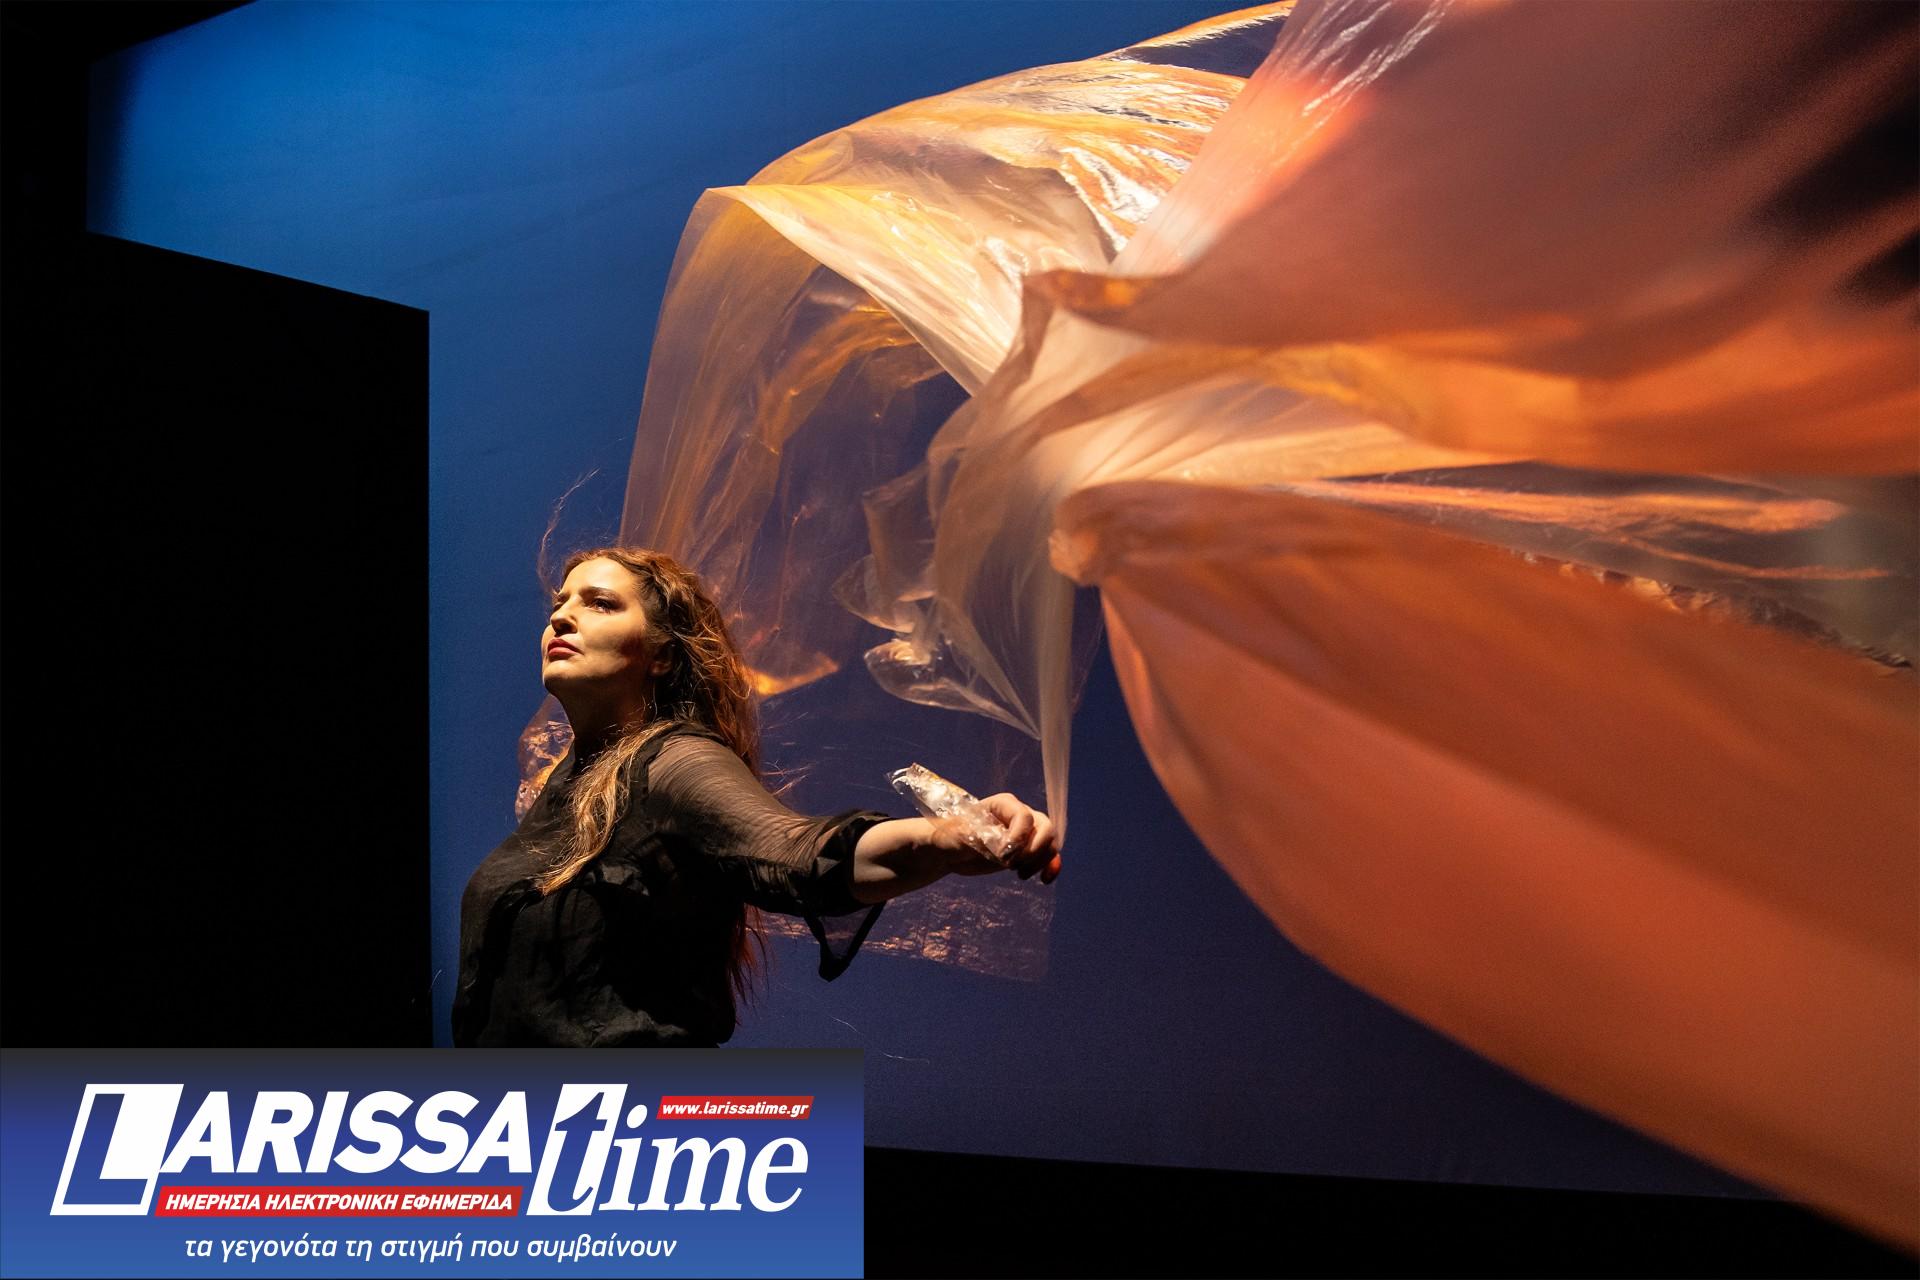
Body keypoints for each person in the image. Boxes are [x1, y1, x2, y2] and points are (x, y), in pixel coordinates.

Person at [453, 546, 1061, 1047]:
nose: (561, 618)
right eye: (559, 604)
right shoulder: (563, 795)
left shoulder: (671, 762)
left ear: (661, 655)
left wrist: (940, 838)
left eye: (600, 604)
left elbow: (794, 852)